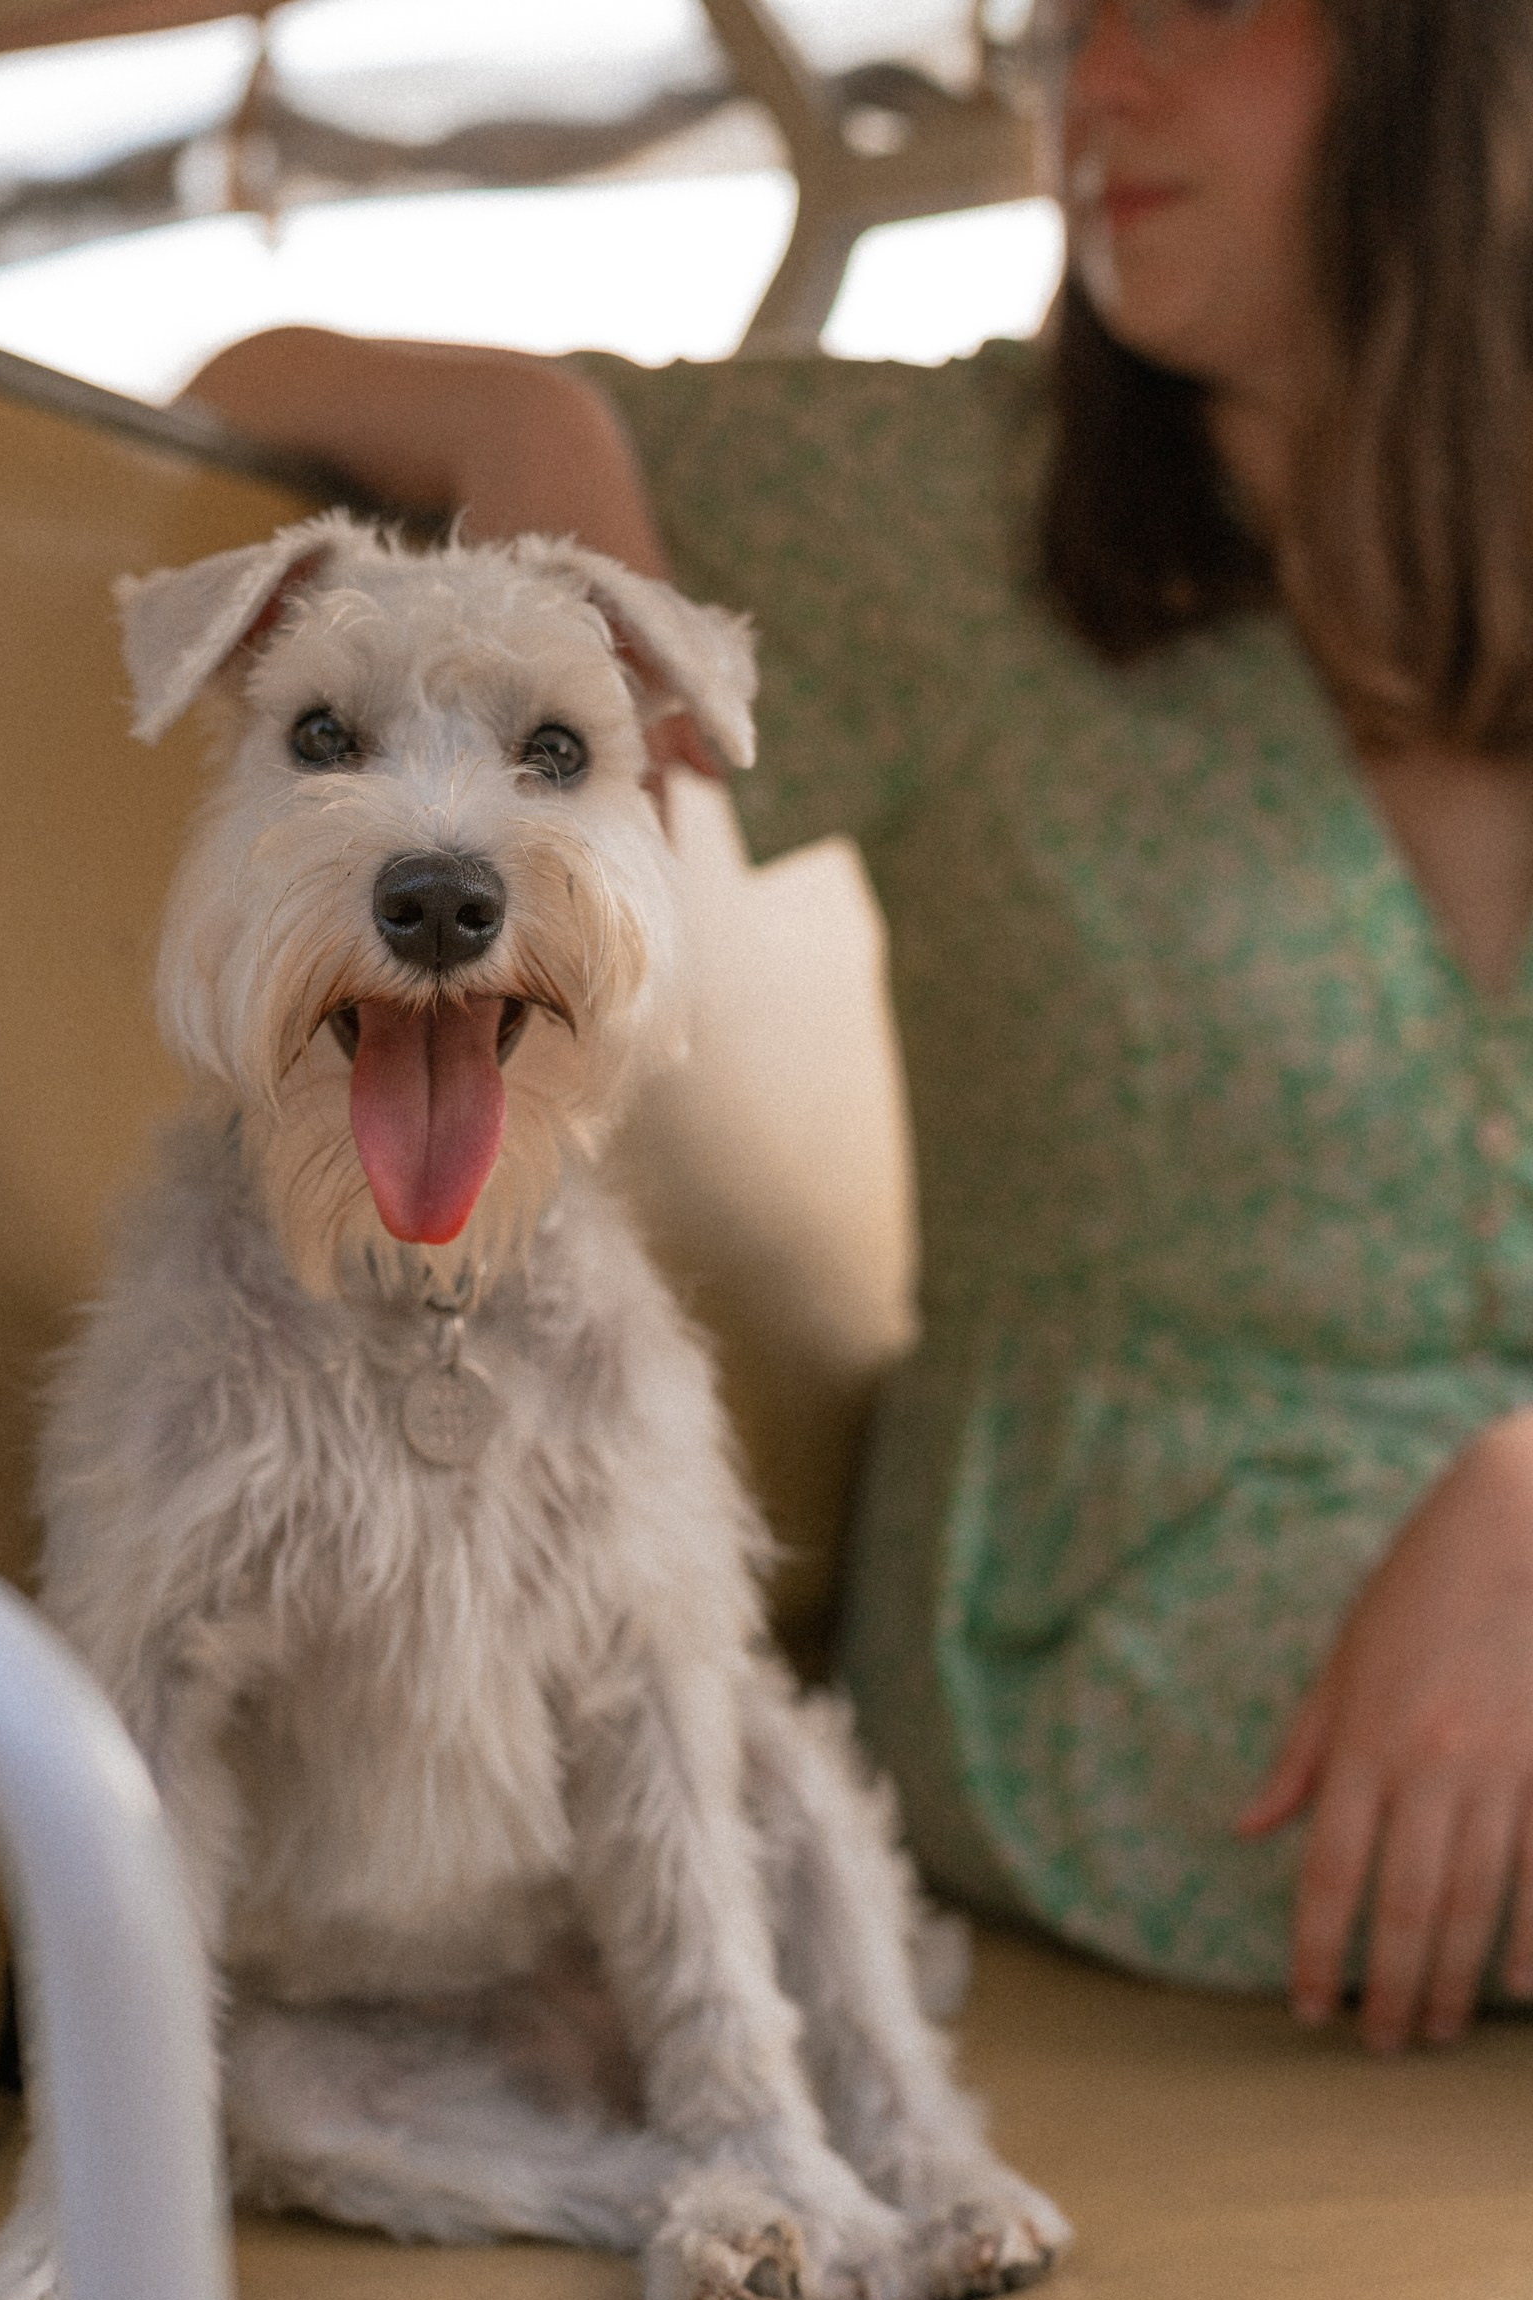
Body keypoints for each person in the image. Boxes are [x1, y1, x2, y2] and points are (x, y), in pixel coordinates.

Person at [182, 0, 1533, 2056]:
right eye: (1069, 29)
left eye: (1190, 9)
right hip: (1128, 1569)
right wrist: (534, 428)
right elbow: (236, 385)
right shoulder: (937, 501)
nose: (1101, 88)